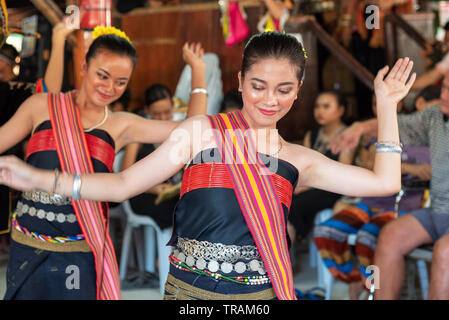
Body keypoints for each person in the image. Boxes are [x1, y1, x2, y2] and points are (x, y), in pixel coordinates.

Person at [0, 31, 415, 300]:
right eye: (258, 86)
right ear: (239, 83)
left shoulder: (298, 159)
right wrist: (39, 177)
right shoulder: (201, 132)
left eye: (283, 89)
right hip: (189, 296)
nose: (269, 99)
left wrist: (385, 106)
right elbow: (121, 184)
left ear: (298, 91)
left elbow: (384, 180)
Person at [0, 25, 207, 300]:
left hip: (81, 249)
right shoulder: (41, 106)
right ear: (84, 66)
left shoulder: (121, 125)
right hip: (28, 244)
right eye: (103, 75)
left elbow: (192, 131)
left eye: (120, 82)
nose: (110, 88)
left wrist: (198, 70)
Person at [328, 71, 449, 300]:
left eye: (448, 91)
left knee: (445, 252)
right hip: (439, 211)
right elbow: (399, 124)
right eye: (443, 87)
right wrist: (359, 128)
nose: (442, 95)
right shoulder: (434, 116)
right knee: (390, 235)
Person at [287, 90, 354, 248]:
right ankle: (286, 253)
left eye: (326, 106)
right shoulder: (312, 135)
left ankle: (294, 245)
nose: (320, 111)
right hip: (310, 186)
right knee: (281, 200)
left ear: (340, 111)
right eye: (317, 106)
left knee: (292, 206)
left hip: (333, 189)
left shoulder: (348, 135)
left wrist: (305, 186)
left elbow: (343, 174)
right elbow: (304, 167)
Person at [121, 84, 182, 230]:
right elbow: (125, 175)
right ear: (147, 110)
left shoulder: (177, 129)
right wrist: (152, 188)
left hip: (168, 191)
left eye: (167, 112)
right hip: (143, 193)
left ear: (173, 106)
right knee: (182, 211)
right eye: (156, 114)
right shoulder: (138, 133)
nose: (162, 118)